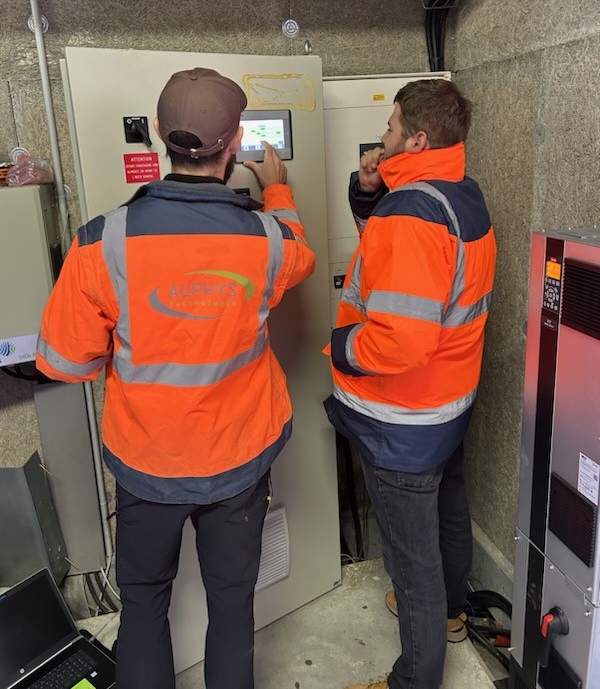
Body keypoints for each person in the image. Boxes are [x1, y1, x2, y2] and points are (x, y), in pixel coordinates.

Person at [36, 67, 315, 689]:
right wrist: (278, 191)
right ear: (235, 142)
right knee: (232, 607)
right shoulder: (268, 241)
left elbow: (64, 362)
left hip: (146, 466)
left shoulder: (101, 243)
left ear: (160, 132)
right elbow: (301, 253)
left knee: (142, 606)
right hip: (238, 463)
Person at [324, 79, 497, 689]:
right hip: (445, 405)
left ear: (417, 139)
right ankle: (450, 612)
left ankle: (414, 680)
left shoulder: (412, 215)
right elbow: (393, 260)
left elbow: (400, 341)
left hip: (401, 418)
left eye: (392, 127)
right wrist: (370, 190)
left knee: (410, 559)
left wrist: (340, 345)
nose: (382, 137)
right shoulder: (459, 194)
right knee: (448, 511)